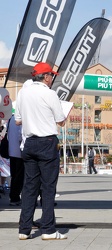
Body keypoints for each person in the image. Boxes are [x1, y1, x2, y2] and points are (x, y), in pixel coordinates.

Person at [15, 62, 67, 240]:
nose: (52, 79)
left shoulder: (23, 93)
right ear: (45, 77)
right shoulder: (49, 93)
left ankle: (24, 229)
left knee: (29, 187)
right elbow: (61, 120)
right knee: (48, 188)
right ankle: (48, 230)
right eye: (51, 76)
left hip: (29, 143)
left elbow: (18, 120)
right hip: (47, 142)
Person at [8, 114, 24, 206]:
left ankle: (13, 196)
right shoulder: (21, 118)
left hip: (12, 151)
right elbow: (20, 135)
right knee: (20, 176)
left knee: (14, 175)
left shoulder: (11, 118)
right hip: (20, 151)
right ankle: (15, 197)